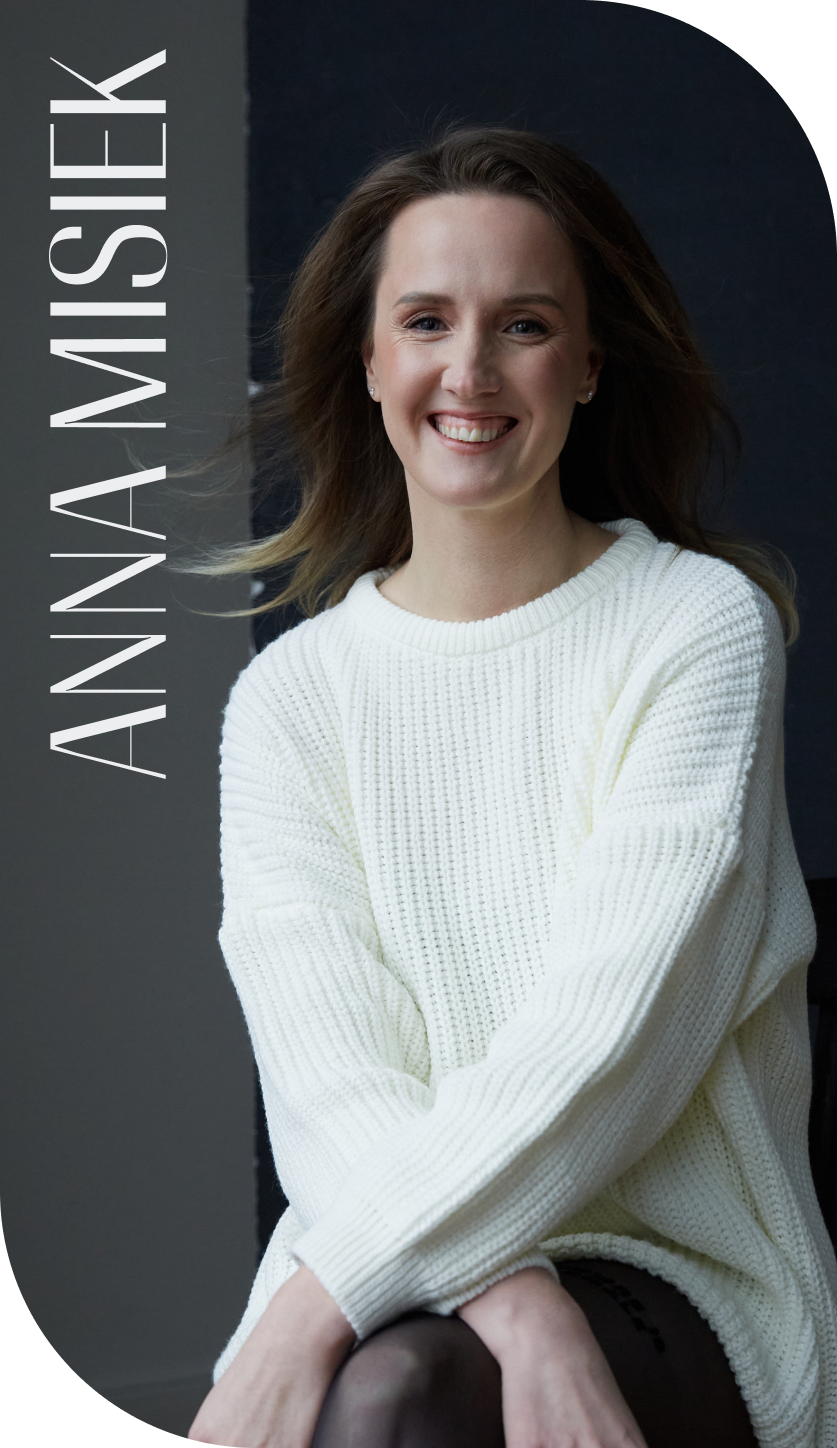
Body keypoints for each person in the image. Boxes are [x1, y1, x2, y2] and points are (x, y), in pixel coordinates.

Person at [187, 126, 837, 1447]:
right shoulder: (291, 701)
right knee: (396, 1381)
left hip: (675, 1265)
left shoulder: (696, 628)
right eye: (426, 320)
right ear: (370, 362)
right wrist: (518, 1302)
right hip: (384, 1258)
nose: (470, 370)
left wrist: (311, 1315)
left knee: (392, 1393)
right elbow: (329, 1082)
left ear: (588, 364)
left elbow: (612, 1044)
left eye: (524, 324)